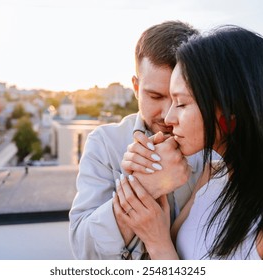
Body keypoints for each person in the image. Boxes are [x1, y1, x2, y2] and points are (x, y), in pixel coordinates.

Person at [114, 25, 263, 259]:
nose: (169, 119)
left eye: (181, 103)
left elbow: (164, 250)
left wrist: (156, 241)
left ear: (231, 108)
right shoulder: (212, 176)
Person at [69, 21, 202, 259]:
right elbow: (85, 252)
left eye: (180, 99)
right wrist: (146, 186)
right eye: (155, 96)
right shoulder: (105, 143)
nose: (167, 114)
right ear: (136, 86)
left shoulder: (216, 148)